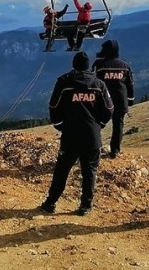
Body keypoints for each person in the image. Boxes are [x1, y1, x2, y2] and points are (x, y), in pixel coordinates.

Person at [40, 51, 113, 216]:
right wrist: (99, 125)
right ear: (88, 66)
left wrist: (60, 126)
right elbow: (109, 109)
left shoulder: (65, 82)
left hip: (70, 134)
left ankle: (51, 203)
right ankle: (85, 206)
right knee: (90, 170)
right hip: (92, 135)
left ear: (73, 65)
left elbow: (54, 106)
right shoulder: (99, 84)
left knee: (62, 169)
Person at [92, 40, 135, 159]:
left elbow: (93, 83)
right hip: (121, 101)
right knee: (118, 125)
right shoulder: (125, 65)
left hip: (103, 101)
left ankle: (95, 149)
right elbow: (130, 84)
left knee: (97, 124)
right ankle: (115, 150)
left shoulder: (99, 65)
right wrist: (130, 100)